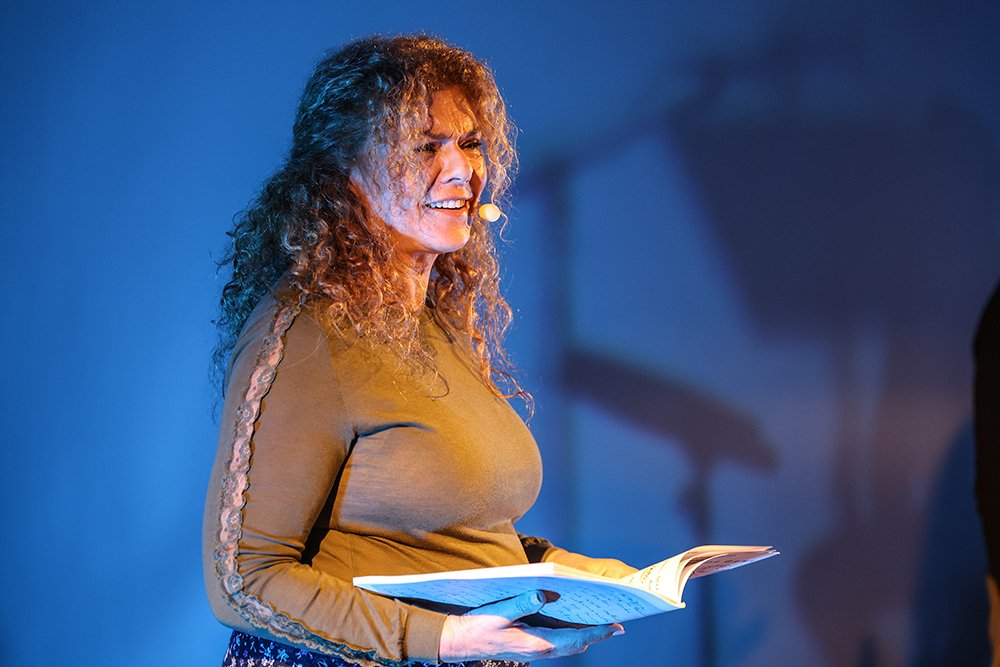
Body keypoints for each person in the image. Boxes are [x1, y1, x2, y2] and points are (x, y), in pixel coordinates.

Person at [203, 34, 635, 667]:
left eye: (469, 143)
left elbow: (447, 535)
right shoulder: (306, 335)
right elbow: (243, 580)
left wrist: (568, 571)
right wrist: (442, 639)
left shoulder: (438, 324)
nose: (461, 170)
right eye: (425, 146)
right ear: (344, 175)